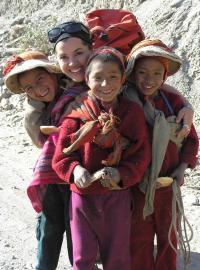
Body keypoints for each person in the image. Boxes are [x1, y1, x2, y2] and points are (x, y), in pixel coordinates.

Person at [52, 46, 151, 270]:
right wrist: (76, 170)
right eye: (98, 78)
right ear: (87, 79)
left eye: (113, 77)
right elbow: (61, 156)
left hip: (116, 198)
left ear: (123, 79)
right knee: (82, 257)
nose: (106, 85)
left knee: (117, 256)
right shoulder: (76, 114)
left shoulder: (131, 113)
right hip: (82, 199)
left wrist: (121, 173)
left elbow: (141, 154)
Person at [124, 39, 199, 270]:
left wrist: (182, 167)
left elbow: (191, 140)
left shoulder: (174, 102)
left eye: (157, 73)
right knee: (139, 240)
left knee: (169, 239)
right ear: (132, 73)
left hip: (168, 186)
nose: (150, 79)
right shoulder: (126, 103)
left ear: (165, 76)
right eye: (143, 72)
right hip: (137, 187)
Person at [3, 50, 75, 270]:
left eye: (40, 79)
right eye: (29, 88)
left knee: (76, 230)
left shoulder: (76, 94)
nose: (37, 89)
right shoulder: (36, 109)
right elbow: (38, 140)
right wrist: (35, 106)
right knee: (49, 230)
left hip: (77, 174)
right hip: (52, 175)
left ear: (53, 73)